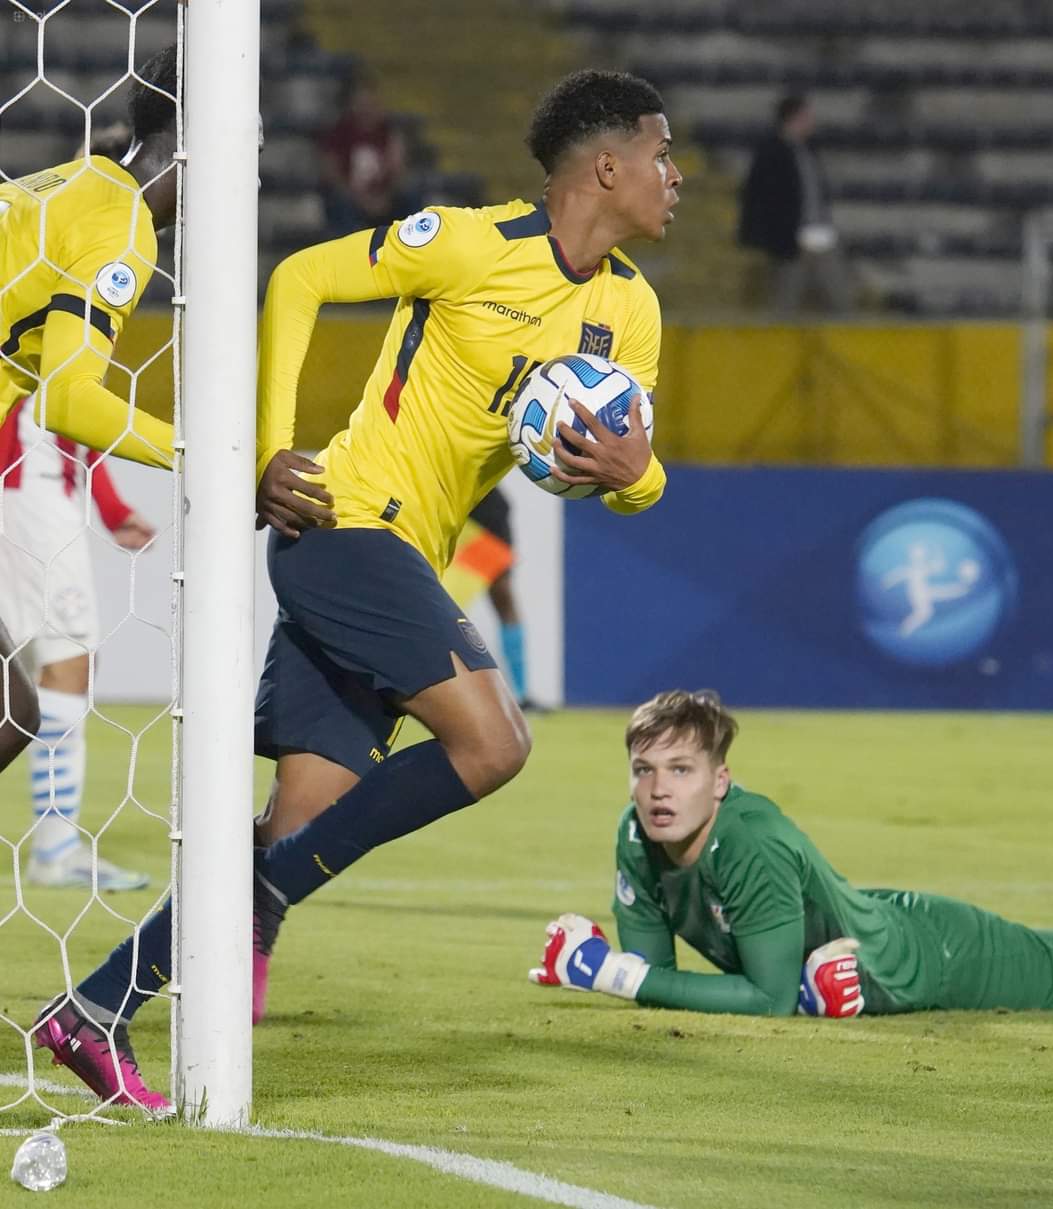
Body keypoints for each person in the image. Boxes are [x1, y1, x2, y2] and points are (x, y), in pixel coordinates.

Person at [37, 68, 680, 1109]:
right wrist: (270, 447)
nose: (675, 176)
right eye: (661, 154)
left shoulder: (631, 315)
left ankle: (95, 1010)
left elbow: (636, 478)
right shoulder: (471, 244)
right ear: (606, 167)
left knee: (297, 824)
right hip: (343, 523)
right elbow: (298, 280)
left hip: (403, 557)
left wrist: (632, 476)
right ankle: (254, 905)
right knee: (494, 743)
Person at [528, 689, 1053, 1017]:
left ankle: (820, 990)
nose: (658, 790)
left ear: (720, 781)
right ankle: (818, 990)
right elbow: (655, 979)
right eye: (643, 770)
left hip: (929, 957)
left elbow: (766, 1002)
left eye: (680, 770)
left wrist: (608, 974)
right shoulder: (636, 835)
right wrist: (624, 974)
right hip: (863, 927)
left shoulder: (749, 840)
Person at [0, 46, 178, 782]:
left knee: (15, 708)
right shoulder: (121, 228)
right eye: (251, 146)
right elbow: (69, 398)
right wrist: (219, 456)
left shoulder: (62, 180)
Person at [0, 398, 155, 890]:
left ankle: (56, 847)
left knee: (30, 675)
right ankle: (56, 850)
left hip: (40, 491)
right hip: (29, 498)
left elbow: (75, 418)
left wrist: (111, 510)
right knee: (68, 664)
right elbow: (64, 401)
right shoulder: (44, 341)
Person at [737, 94, 851, 315]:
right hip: (790, 239)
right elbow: (761, 198)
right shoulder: (772, 152)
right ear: (794, 117)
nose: (812, 122)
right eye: (807, 116)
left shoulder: (808, 150)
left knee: (839, 297)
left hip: (819, 233)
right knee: (785, 301)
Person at [442, 486, 541, 710]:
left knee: (504, 599)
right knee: (443, 603)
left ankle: (522, 694)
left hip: (489, 516)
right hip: (456, 509)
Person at [318, 72, 410, 239]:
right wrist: (361, 200)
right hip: (351, 198)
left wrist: (384, 197)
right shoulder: (340, 132)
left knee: (409, 196)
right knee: (338, 202)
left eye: (370, 103)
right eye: (361, 103)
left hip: (384, 197)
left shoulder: (388, 132)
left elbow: (398, 169)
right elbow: (331, 174)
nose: (366, 108)